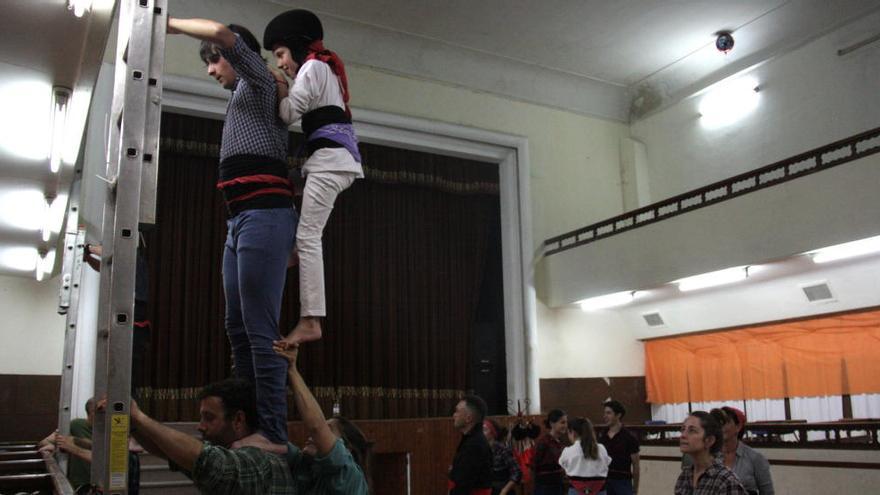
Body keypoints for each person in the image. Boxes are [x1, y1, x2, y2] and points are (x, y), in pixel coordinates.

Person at [167, 17, 297, 454]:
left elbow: (225, 34)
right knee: (237, 326)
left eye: (214, 61)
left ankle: (275, 432)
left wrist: (171, 24)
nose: (210, 69)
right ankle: (250, 418)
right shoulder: (242, 97)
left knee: (260, 330)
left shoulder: (259, 81)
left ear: (237, 57)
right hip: (239, 219)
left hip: (265, 213)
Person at [262, 9, 364, 346]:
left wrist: (278, 85)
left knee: (309, 236)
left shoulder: (313, 67)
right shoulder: (322, 69)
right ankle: (293, 251)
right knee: (290, 183)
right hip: (328, 161)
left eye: (280, 54)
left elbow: (288, 113)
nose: (281, 64)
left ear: (294, 46)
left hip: (331, 162)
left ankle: (311, 319)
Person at [122, 378, 295, 494]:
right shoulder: (232, 454)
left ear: (238, 420)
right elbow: (168, 451)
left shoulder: (259, 460)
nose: (200, 426)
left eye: (209, 418)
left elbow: (207, 461)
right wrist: (134, 424)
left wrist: (139, 417)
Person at [272, 341, 370, 494]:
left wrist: (292, 369)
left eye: (329, 430)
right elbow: (272, 433)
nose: (313, 436)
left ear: (346, 449)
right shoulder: (305, 463)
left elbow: (316, 428)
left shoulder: (349, 476)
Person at [39, 398, 140, 494]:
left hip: (109, 485)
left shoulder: (115, 430)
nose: (109, 415)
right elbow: (45, 442)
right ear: (92, 412)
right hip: (81, 485)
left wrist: (73, 447)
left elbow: (109, 459)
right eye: (104, 411)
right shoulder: (76, 425)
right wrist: (54, 447)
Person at [675, 410, 747, 495]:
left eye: (692, 431)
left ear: (709, 440)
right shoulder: (685, 476)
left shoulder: (725, 480)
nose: (683, 435)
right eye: (683, 429)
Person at [448, 395, 493, 494]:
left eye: (457, 411)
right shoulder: (471, 441)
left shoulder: (475, 445)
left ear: (468, 418)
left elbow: (464, 485)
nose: (454, 415)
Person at [559, 417, 611, 495]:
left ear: (572, 432)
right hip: (599, 490)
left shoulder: (568, 451)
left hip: (576, 490)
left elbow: (563, 467)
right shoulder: (601, 448)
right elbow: (607, 463)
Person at [598, 400, 640, 495]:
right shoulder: (602, 436)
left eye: (608, 413)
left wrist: (635, 488)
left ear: (618, 415)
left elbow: (636, 465)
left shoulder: (629, 437)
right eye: (604, 413)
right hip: (604, 481)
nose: (605, 416)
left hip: (623, 482)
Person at [532, 409, 568, 495]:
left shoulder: (561, 441)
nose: (565, 425)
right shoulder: (543, 441)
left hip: (558, 484)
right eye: (562, 423)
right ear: (552, 424)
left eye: (566, 422)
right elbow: (533, 465)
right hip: (545, 487)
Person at [483, 419, 522, 495]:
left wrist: (504, 490)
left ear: (492, 433)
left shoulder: (502, 450)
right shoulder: (481, 450)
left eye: (484, 430)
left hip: (502, 490)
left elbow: (517, 472)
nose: (481, 433)